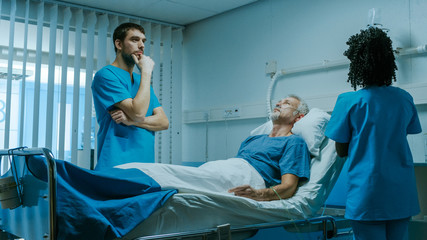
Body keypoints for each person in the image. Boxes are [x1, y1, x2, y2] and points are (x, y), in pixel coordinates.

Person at [325, 27, 422, 240]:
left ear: (357, 63)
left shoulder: (348, 101)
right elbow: (405, 132)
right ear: (389, 61)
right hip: (401, 191)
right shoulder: (404, 98)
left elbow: (341, 150)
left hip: (368, 191)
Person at [119, 95, 311, 201]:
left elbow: (288, 187)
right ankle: (126, 179)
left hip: (252, 177)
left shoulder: (294, 142)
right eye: (279, 101)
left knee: (172, 175)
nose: (278, 103)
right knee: (189, 176)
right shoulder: (253, 139)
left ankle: (126, 176)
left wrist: (259, 193)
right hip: (225, 168)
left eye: (287, 103)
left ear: (298, 117)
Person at [92, 22, 169, 171]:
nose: (141, 46)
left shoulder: (141, 81)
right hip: (116, 164)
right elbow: (138, 112)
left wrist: (131, 121)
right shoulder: (106, 75)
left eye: (143, 41)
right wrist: (146, 71)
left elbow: (163, 122)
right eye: (134, 40)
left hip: (145, 165)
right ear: (119, 44)